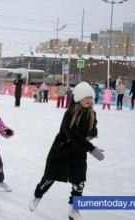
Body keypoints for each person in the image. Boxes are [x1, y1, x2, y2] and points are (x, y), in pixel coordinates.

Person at [29, 82, 104, 220]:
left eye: (91, 97)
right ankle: (37, 194)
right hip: (61, 151)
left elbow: (92, 131)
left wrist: (91, 136)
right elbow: (72, 134)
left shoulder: (92, 113)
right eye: (86, 97)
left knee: (79, 182)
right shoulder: (69, 113)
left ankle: (74, 210)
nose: (89, 100)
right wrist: (91, 148)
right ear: (79, 97)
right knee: (49, 178)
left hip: (78, 154)